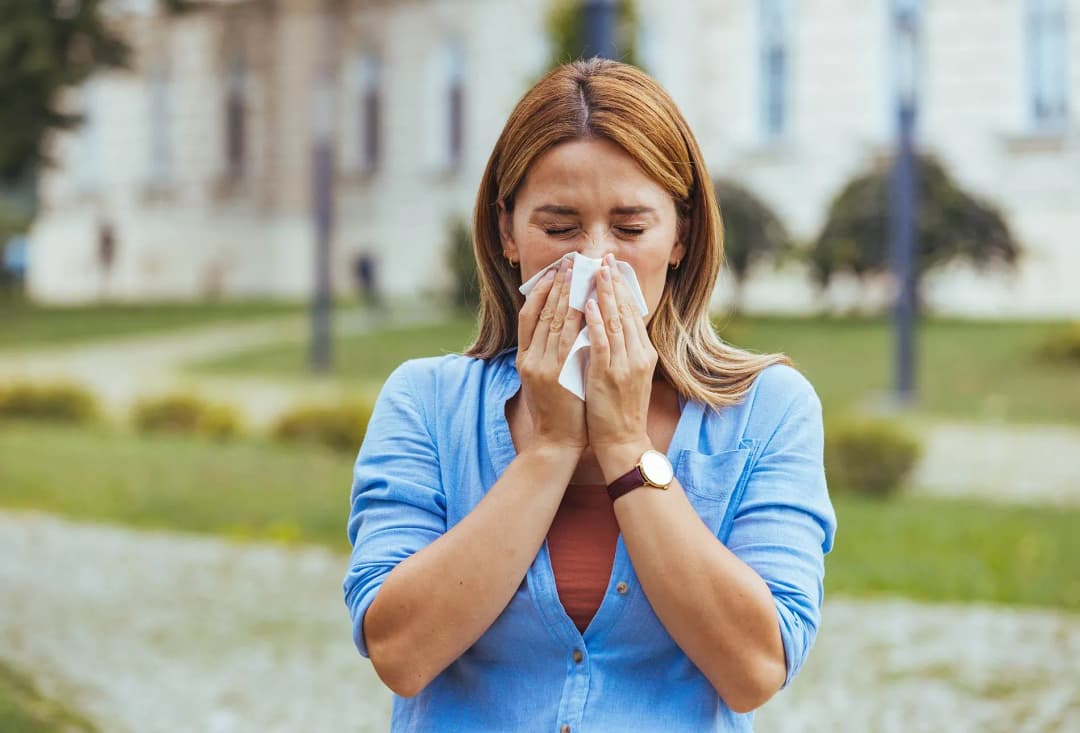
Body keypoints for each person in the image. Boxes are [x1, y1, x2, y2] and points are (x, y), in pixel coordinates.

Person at [344, 58, 836, 732]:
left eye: (630, 229)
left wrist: (625, 446)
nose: (595, 260)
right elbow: (400, 652)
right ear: (508, 232)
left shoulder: (769, 410)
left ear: (680, 236)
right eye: (559, 226)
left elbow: (754, 668)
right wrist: (548, 448)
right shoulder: (425, 403)